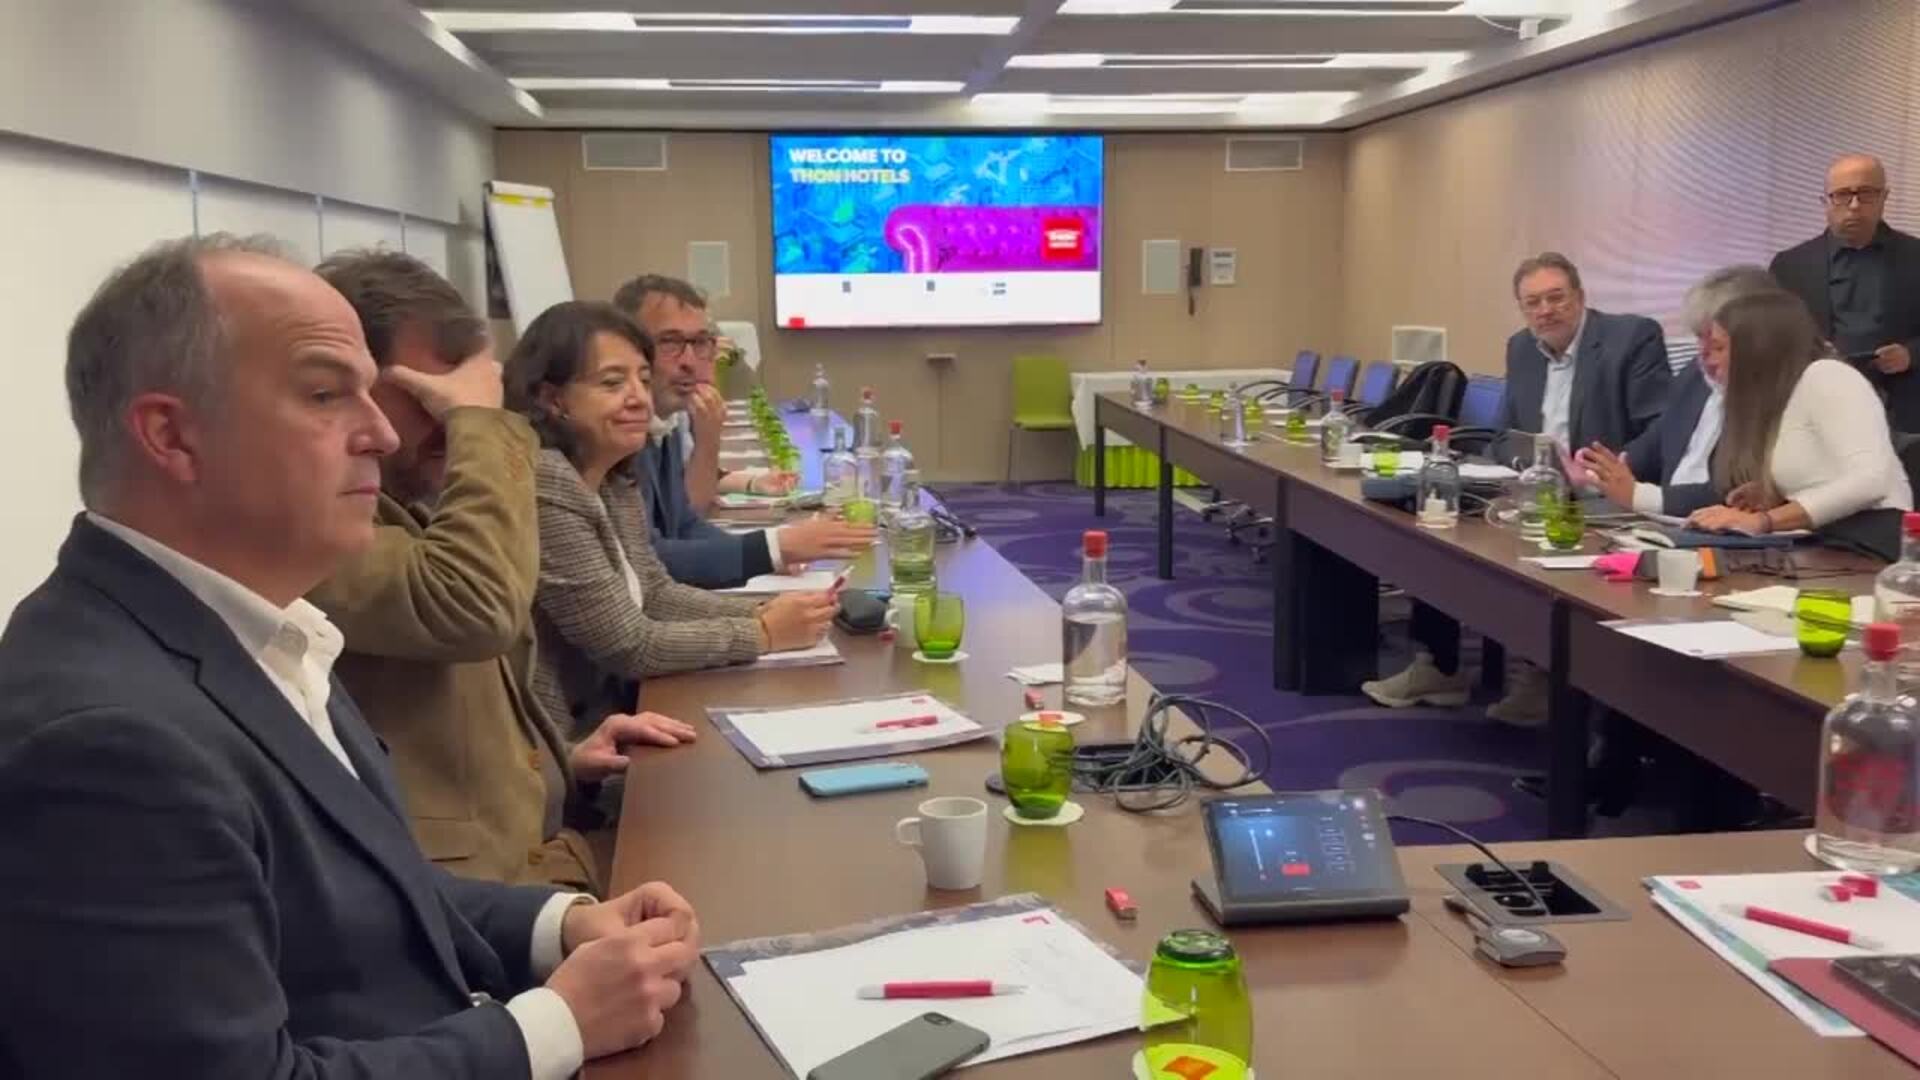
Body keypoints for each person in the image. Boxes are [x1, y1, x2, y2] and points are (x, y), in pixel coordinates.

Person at [0, 235, 697, 1077]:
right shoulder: (104, 742)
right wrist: (556, 1025)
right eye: (327, 394)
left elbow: (371, 890)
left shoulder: (267, 627)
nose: (380, 432)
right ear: (171, 436)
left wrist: (560, 926)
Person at [309, 250, 698, 894]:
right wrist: (482, 424)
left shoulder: (409, 501)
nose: (446, 416)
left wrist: (563, 758)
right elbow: (472, 609)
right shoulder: (314, 525)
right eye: (429, 395)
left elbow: (449, 725)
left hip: (534, 855)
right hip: (470, 899)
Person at [1363, 252, 1670, 725]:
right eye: (1533, 303)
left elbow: (1661, 429)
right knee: (1440, 526)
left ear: (1580, 297)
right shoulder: (1522, 348)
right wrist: (1528, 466)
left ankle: (1544, 678)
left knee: (1529, 554)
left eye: (1556, 298)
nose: (1545, 311)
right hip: (1537, 487)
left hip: (1602, 497)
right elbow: (1504, 434)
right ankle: (1438, 665)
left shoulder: (1631, 338)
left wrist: (1608, 471)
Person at [507, 300, 838, 736]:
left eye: (643, 380)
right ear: (553, 399)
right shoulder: (548, 480)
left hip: (611, 712)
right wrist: (762, 633)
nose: (638, 398)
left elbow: (656, 593)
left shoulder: (612, 476)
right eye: (612, 383)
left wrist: (763, 611)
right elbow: (628, 645)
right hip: (564, 740)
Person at [610, 274, 874, 588]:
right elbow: (647, 560)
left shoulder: (663, 423)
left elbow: (685, 524)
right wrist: (774, 549)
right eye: (670, 343)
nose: (690, 362)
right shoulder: (616, 436)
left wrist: (774, 552)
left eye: (700, 342)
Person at [1685, 289, 1910, 535]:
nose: (1709, 361)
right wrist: (1777, 494)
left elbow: (1871, 481)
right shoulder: (1781, 396)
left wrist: (1764, 520)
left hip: (1870, 542)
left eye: (1719, 348)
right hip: (1822, 541)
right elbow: (1822, 476)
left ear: (1757, 348)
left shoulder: (1828, 376)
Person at [1578, 265, 1780, 518]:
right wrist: (1594, 473)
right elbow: (1653, 445)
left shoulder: (1780, 394)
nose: (1703, 353)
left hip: (1722, 530)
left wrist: (1644, 497)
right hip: (1664, 521)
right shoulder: (1692, 377)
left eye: (1717, 343)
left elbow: (1740, 491)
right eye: (1699, 338)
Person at [1770, 154, 1920, 431]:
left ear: (1884, 197)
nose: (1854, 206)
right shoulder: (1789, 266)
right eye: (1842, 195)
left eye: (1866, 194)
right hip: (1814, 406)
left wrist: (1911, 354)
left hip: (1903, 408)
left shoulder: (1916, 257)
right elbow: (1772, 338)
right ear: (1824, 202)